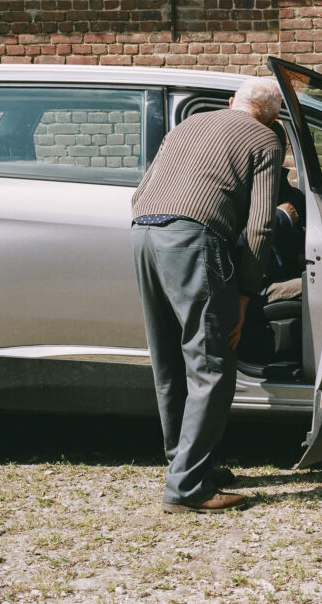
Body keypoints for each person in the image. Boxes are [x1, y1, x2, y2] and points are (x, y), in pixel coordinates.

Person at [130, 77, 283, 513]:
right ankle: (187, 487)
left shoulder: (187, 125)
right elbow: (261, 226)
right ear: (271, 114)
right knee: (211, 361)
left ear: (233, 101)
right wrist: (245, 294)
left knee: (169, 359)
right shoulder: (265, 139)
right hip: (193, 239)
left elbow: (141, 192)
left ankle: (185, 463)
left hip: (143, 233)